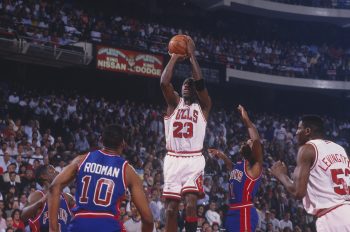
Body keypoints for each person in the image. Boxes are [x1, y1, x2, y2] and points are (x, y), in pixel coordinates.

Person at [48, 124, 154, 232]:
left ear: (101, 140)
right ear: (123, 144)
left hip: (79, 224)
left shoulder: (81, 160)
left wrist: (53, 228)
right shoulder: (128, 171)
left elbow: (54, 186)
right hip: (108, 225)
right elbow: (148, 219)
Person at [160, 35, 212, 232]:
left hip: (193, 159)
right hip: (173, 158)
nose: (187, 86)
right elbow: (164, 83)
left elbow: (200, 83)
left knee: (191, 205)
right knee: (171, 210)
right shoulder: (174, 104)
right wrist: (174, 56)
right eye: (184, 84)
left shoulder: (204, 107)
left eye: (191, 85)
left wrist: (191, 57)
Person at [271, 115, 350, 231]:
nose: (296, 133)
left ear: (307, 131)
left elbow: (298, 192)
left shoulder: (307, 149)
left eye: (299, 128)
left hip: (331, 217)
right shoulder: (340, 149)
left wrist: (281, 175)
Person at [208, 105, 263, 232]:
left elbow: (256, 139)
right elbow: (231, 167)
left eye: (250, 142)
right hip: (233, 210)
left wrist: (247, 120)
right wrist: (221, 155)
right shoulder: (240, 165)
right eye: (248, 141)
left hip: (244, 211)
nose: (248, 141)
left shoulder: (255, 166)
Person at [21, 164, 74, 232]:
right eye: (51, 169)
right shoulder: (37, 195)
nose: (57, 172)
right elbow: (23, 216)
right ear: (43, 176)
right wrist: (41, 201)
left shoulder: (67, 197)